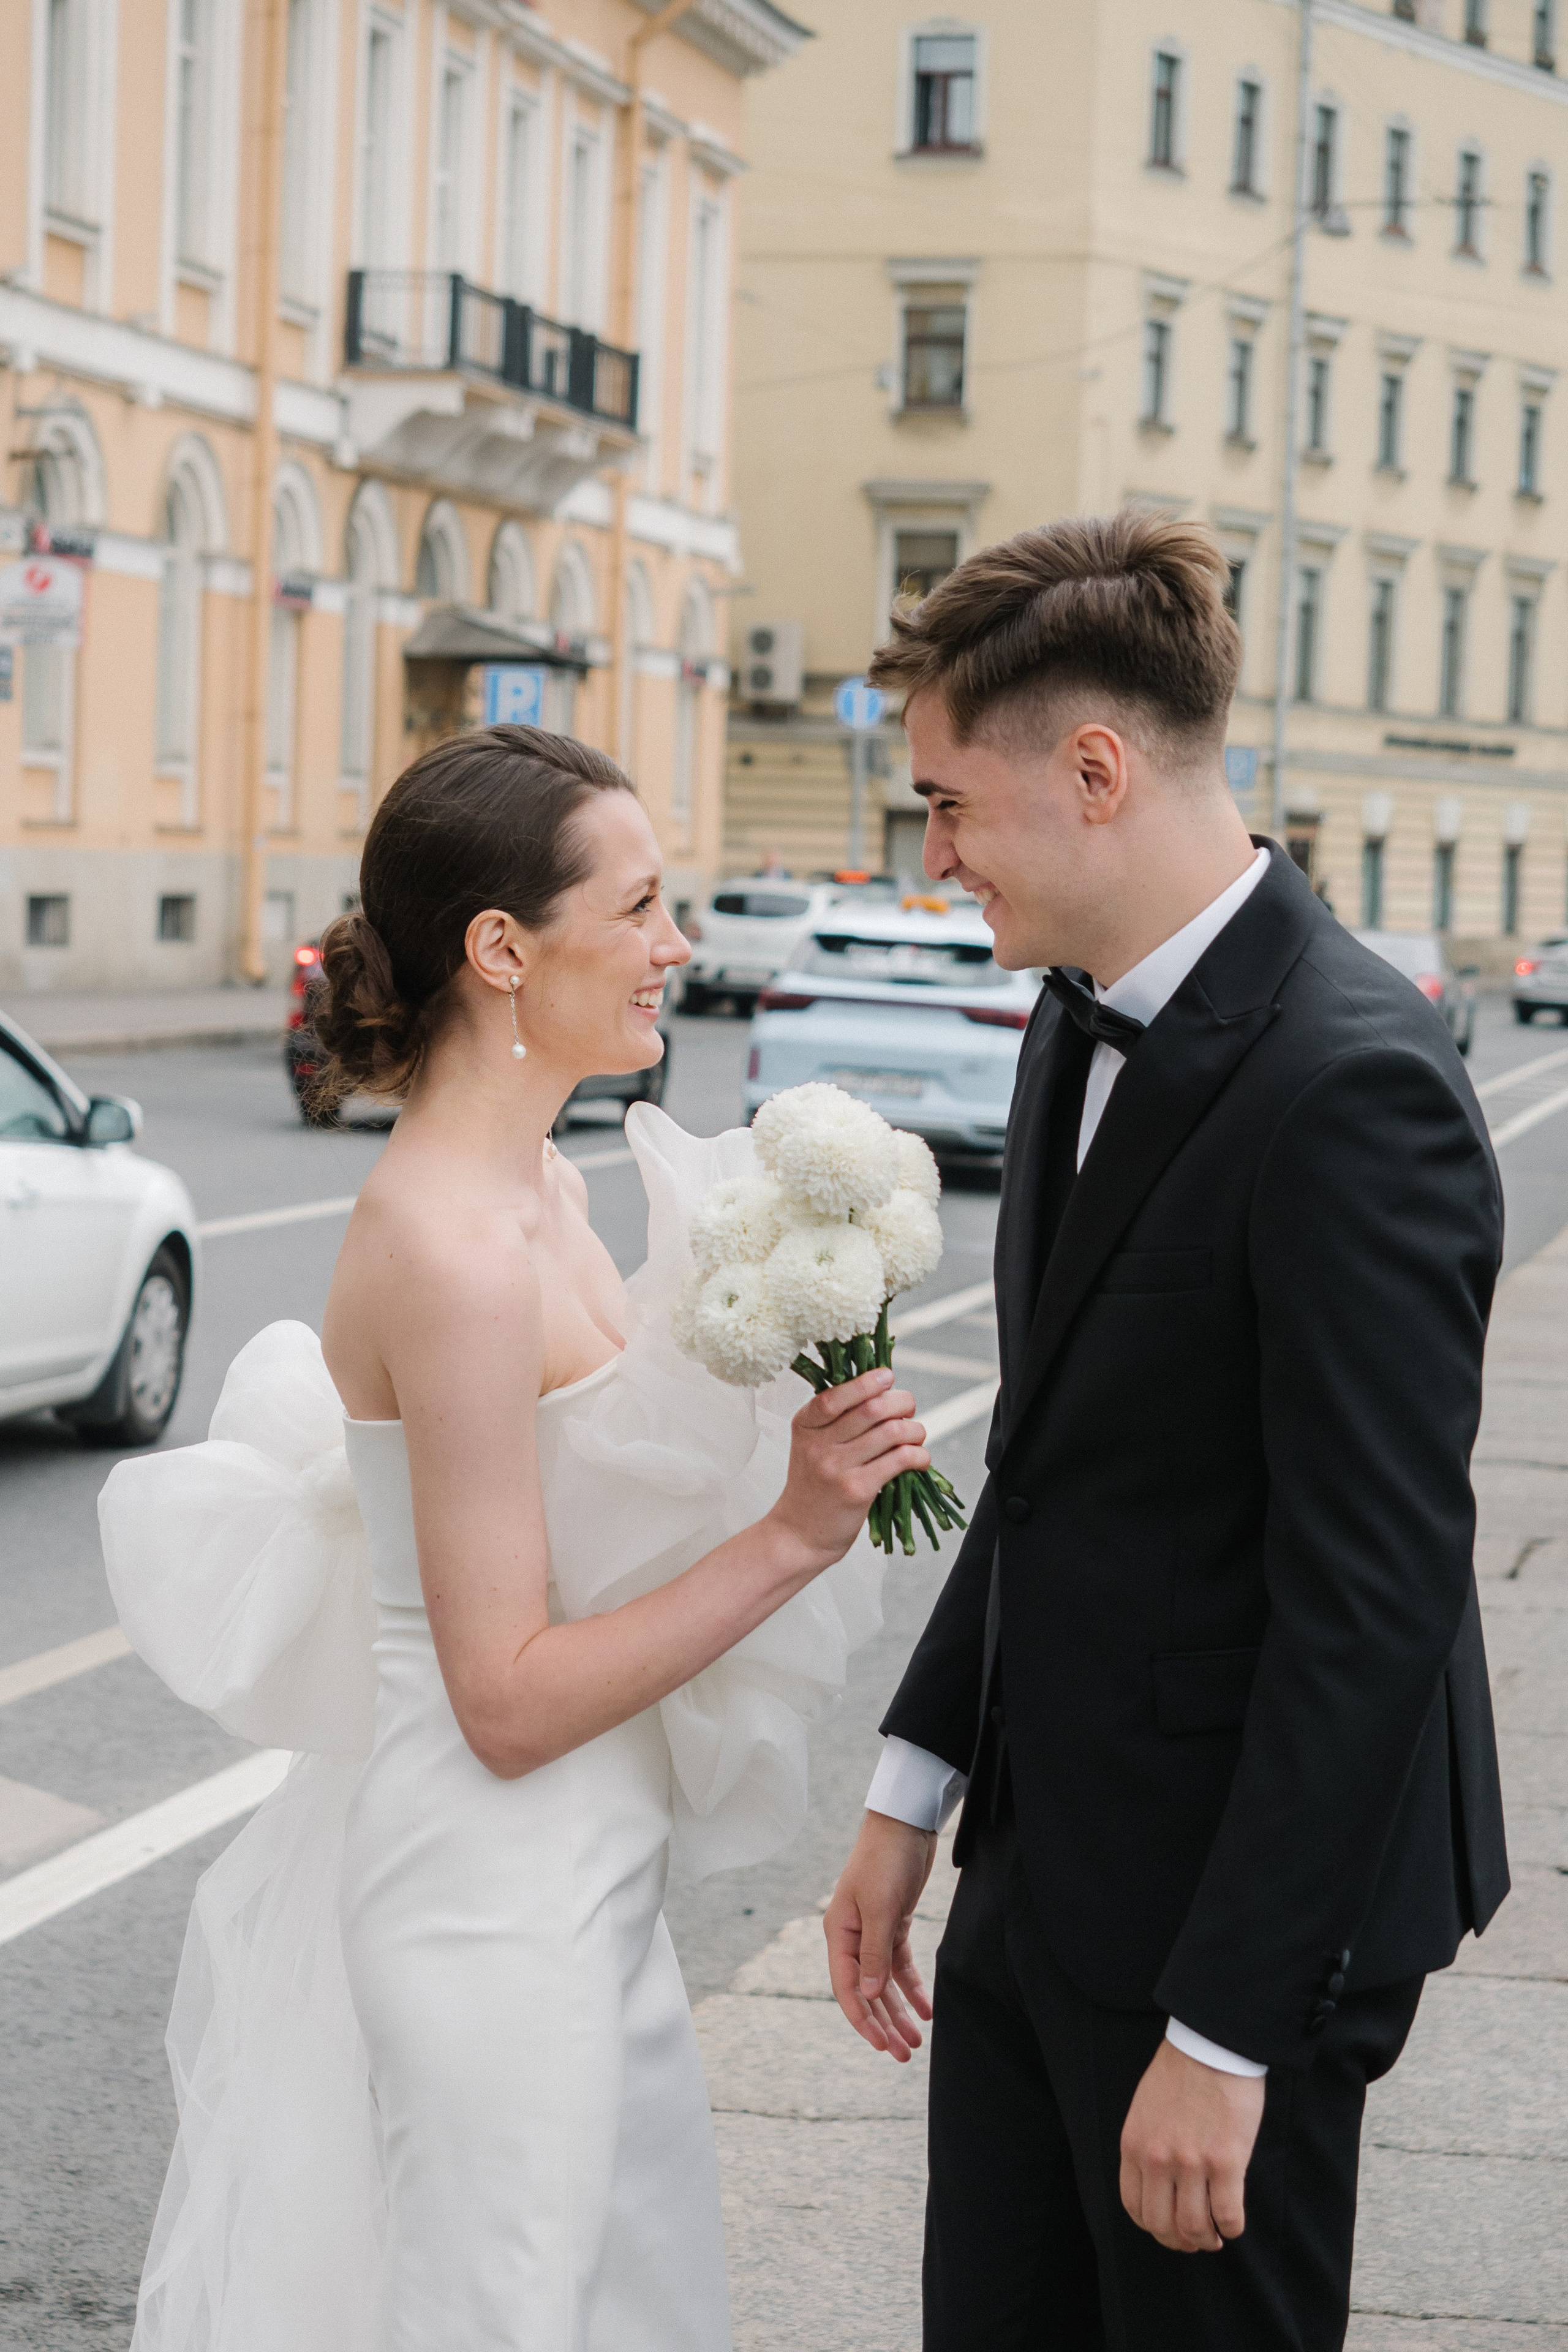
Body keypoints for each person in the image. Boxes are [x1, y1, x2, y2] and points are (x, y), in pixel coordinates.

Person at [100, 725, 930, 2352]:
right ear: (501, 949)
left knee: (613, 2298)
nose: (675, 947)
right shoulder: (453, 1250)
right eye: (638, 907)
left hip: (584, 1868)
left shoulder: (542, 1184)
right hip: (491, 1897)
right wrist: (794, 1532)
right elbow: (505, 1697)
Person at [823, 512, 1509, 2351]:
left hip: (1234, 1932)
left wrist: (1229, 2029)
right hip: (1038, 1880)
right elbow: (1049, 1464)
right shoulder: (1068, 1018)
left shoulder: (1357, 1082)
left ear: (1098, 772)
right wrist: (914, 1789)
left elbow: (1374, 1600)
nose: (936, 851)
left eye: (952, 806)